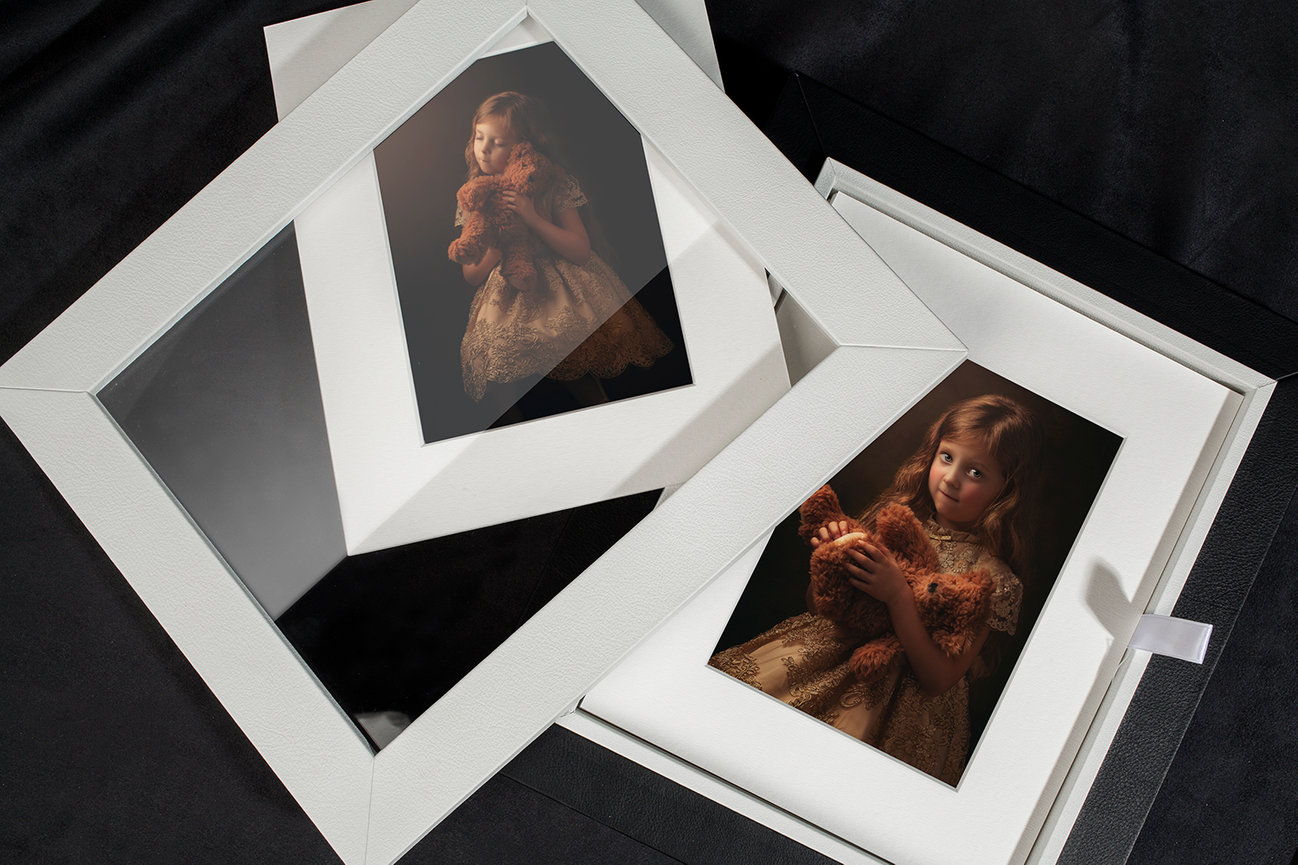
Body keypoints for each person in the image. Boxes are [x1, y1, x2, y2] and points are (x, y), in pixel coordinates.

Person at [710, 394, 1043, 785]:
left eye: (976, 473)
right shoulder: (892, 518)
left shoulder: (993, 579)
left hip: (902, 714)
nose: (952, 477)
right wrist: (831, 564)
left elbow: (938, 679)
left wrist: (898, 594)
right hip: (824, 658)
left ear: (1006, 491)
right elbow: (819, 608)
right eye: (948, 457)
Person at [451, 91, 674, 410]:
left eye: (497, 142)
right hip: (507, 295)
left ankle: (604, 415)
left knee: (570, 363)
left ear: (522, 147)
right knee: (497, 373)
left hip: (561, 292)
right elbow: (471, 274)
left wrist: (531, 219)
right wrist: (500, 245)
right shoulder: (476, 197)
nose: (483, 150)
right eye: (479, 137)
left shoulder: (552, 184)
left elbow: (581, 250)